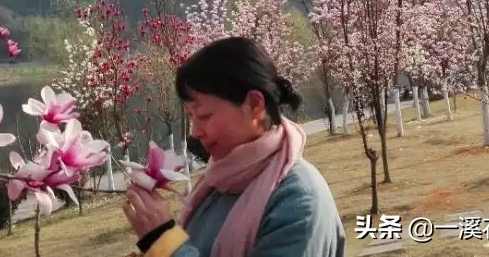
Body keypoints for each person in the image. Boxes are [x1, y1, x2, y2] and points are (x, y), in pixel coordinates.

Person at [122, 36, 346, 256]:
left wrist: (162, 240)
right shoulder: (218, 184)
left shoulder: (298, 200)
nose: (195, 132)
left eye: (204, 115)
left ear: (254, 105)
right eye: (191, 116)